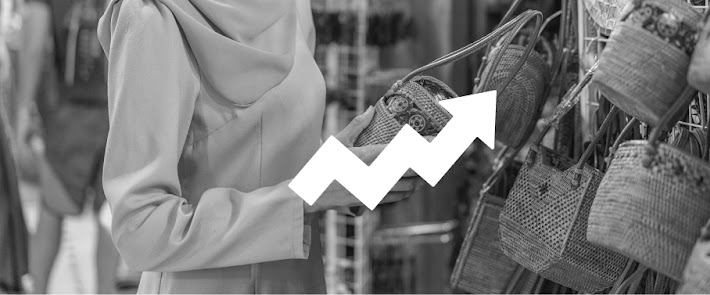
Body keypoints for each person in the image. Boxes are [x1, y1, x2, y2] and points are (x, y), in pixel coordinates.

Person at [98, 0, 423, 293]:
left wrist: (336, 170)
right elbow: (139, 229)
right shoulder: (151, 17)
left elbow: (268, 149)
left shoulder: (292, 6)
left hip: (298, 279)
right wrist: (307, 195)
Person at [15, 0, 119, 293]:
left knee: (52, 207)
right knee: (111, 212)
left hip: (68, 111)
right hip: (120, 104)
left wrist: (23, 111)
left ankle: (37, 289)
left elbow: (34, 38)